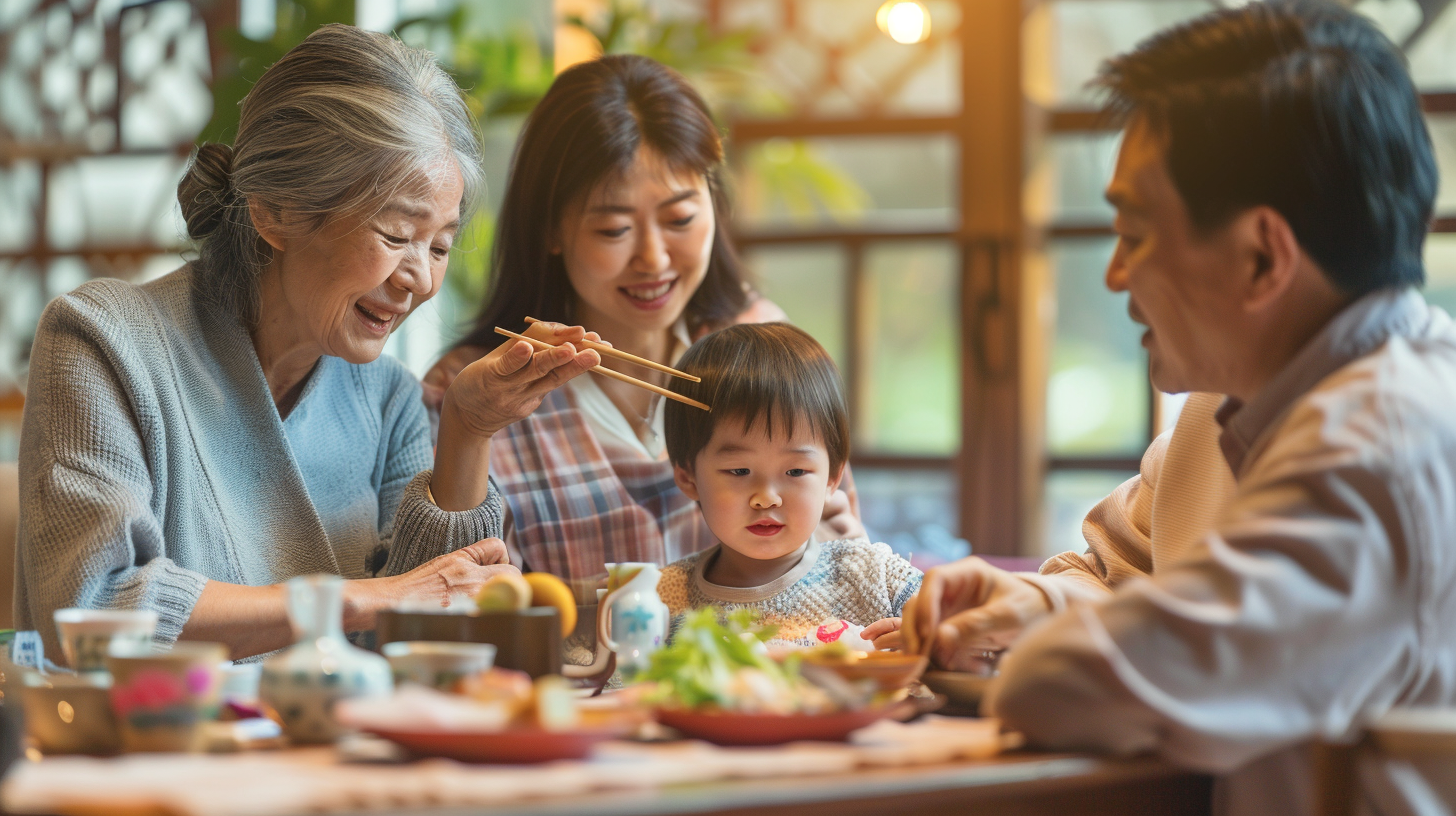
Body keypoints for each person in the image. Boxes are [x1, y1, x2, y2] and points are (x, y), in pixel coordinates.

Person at [905, 2, 1456, 812]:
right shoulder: (1239, 397)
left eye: (1134, 232)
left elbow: (1080, 684)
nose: (1114, 274)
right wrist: (1036, 603)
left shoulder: (1381, 445)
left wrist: (1042, 649)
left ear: (1262, 256)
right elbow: (1128, 576)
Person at [15, 25, 603, 663]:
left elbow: (437, 636)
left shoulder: (389, 400)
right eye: (397, 232)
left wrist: (468, 429)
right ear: (275, 211)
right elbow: (95, 604)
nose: (421, 280)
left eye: (439, 246)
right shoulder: (103, 339)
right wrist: (361, 599)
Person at [421, 55, 860, 603]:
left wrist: (833, 544)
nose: (653, 259)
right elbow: (460, 599)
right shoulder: (480, 389)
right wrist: (468, 427)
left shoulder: (761, 341)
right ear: (551, 229)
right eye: (614, 229)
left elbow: (844, 549)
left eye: (680, 219)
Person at [657, 324, 919, 647]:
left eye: (795, 471)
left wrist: (930, 639)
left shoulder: (871, 575)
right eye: (739, 470)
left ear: (832, 477)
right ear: (688, 477)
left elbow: (963, 631)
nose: (766, 498)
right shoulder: (663, 600)